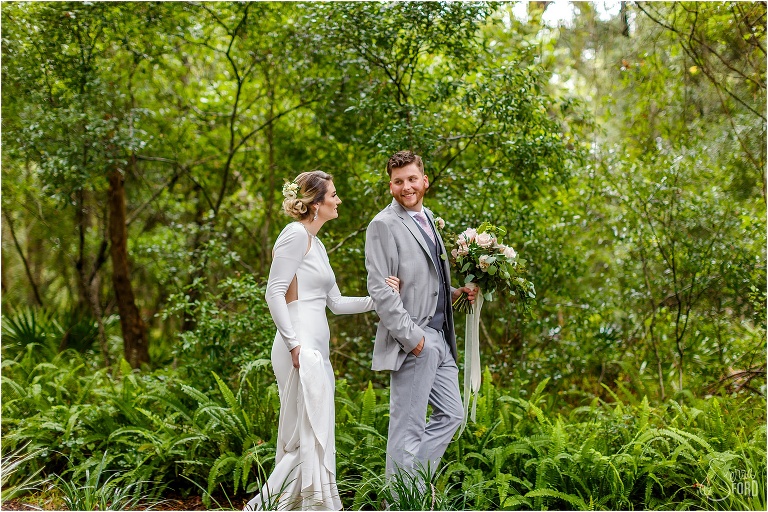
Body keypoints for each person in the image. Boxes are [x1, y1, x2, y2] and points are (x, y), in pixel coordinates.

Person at [245, 171, 400, 511]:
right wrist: (294, 345)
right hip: (300, 345)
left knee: (318, 431)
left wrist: (381, 298)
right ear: (316, 203)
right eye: (333, 194)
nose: (338, 200)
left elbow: (336, 303)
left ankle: (309, 504)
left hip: (317, 348)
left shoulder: (317, 244)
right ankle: (271, 506)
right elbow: (273, 292)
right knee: (306, 432)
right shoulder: (295, 235)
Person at [364, 150, 477, 481]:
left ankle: (412, 488)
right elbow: (381, 289)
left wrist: (454, 293)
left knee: (452, 415)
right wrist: (414, 340)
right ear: (391, 186)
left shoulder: (428, 218)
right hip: (414, 340)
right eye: (398, 181)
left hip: (441, 337)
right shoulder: (383, 225)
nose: (406, 187)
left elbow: (423, 278)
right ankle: (399, 501)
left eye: (412, 179)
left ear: (424, 181)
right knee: (408, 425)